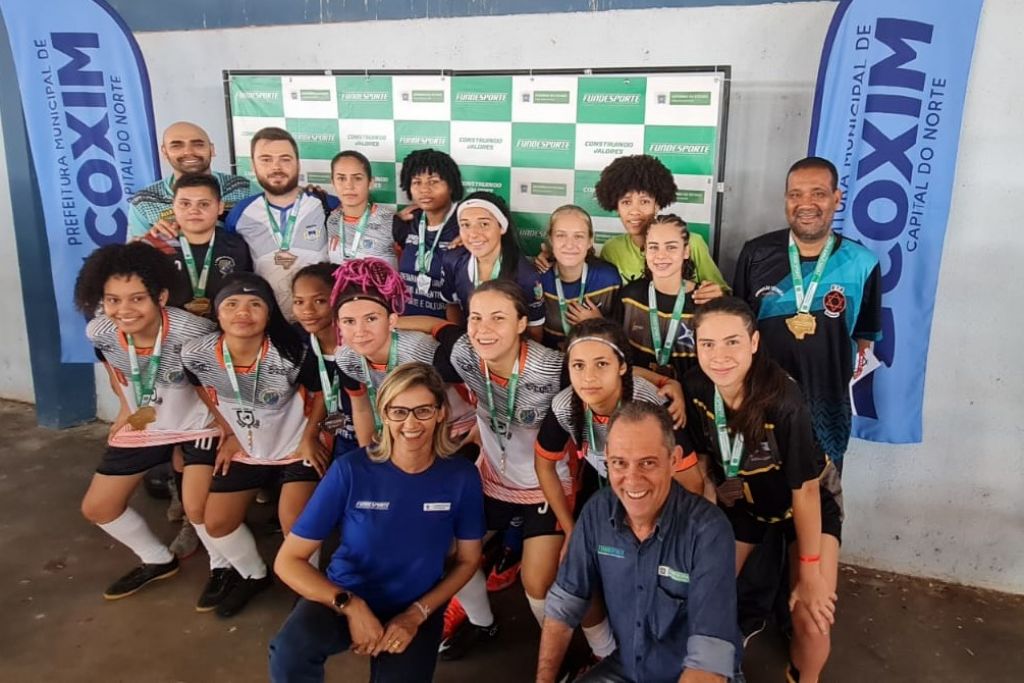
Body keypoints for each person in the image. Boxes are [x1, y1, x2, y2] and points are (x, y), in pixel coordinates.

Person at [268, 362, 485, 683]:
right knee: (289, 652)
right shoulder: (350, 470)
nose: (411, 423)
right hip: (344, 596)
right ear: (384, 414)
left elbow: (468, 561)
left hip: (417, 606)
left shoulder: (462, 477)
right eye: (399, 412)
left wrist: (416, 615)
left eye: (423, 411)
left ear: (441, 413)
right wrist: (350, 606)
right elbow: (288, 561)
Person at [686, 296, 843, 683]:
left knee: (812, 618)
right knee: (704, 598)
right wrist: (709, 490)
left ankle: (803, 675)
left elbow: (805, 491)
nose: (719, 355)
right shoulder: (693, 387)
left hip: (806, 505)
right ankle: (715, 667)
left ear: (754, 343)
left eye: (732, 342)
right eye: (708, 344)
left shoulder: (784, 400)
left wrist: (809, 572)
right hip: (744, 504)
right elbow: (703, 455)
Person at [533, 318, 703, 666]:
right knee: (576, 569)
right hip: (610, 499)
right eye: (578, 365)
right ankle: (605, 652)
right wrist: (571, 529)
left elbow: (692, 482)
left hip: (661, 502)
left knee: (648, 575)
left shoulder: (649, 406)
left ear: (622, 366)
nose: (589, 377)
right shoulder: (567, 405)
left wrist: (662, 533)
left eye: (601, 364)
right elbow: (544, 465)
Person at [538, 401, 741, 683]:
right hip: (629, 668)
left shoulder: (708, 531)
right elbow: (563, 607)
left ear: (673, 461)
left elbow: (708, 664)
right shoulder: (597, 511)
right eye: (620, 463)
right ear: (606, 458)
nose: (632, 480)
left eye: (647, 463)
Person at [73, 242, 224, 603]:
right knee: (97, 507)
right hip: (148, 421)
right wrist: (126, 411)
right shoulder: (101, 331)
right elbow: (114, 371)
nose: (123, 310)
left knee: (198, 508)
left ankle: (224, 568)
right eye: (112, 300)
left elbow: (222, 386)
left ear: (161, 296)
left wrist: (228, 430)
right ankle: (157, 559)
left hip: (200, 424)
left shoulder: (194, 332)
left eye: (136, 299)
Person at [181, 273, 330, 617]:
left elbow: (321, 393)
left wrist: (310, 438)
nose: (242, 313)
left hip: (294, 445)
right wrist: (228, 431)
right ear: (217, 314)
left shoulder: (293, 351)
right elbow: (200, 386)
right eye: (231, 305)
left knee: (295, 521)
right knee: (216, 521)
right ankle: (253, 574)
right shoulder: (198, 354)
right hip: (248, 447)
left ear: (269, 313)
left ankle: (307, 589)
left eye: (255, 304)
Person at [732, 156, 882, 469]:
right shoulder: (755, 254)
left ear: (836, 199)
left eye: (818, 193)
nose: (806, 203)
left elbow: (864, 337)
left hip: (826, 409)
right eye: (795, 194)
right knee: (762, 499)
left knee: (822, 505)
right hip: (761, 402)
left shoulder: (863, 263)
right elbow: (737, 330)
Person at [330, 258, 475, 446]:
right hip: (406, 431)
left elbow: (478, 383)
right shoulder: (346, 358)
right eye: (349, 321)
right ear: (338, 324)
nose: (360, 331)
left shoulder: (420, 352)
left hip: (456, 428)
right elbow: (362, 409)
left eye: (371, 319)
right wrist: (365, 457)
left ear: (391, 321)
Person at [225, 127, 336, 318]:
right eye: (266, 159)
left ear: (298, 164)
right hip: (270, 322)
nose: (276, 167)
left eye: (285, 159)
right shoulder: (240, 213)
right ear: (253, 165)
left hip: (324, 320)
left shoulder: (328, 205)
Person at [591, 154, 726, 294]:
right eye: (626, 202)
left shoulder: (692, 243)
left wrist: (718, 293)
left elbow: (723, 292)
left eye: (644, 202)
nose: (634, 211)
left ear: (657, 205)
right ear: (616, 207)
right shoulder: (612, 249)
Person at [612, 214, 724, 382]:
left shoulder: (705, 302)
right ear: (645, 250)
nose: (661, 255)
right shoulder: (629, 296)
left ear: (686, 251)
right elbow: (616, 354)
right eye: (653, 247)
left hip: (689, 401)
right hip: (638, 395)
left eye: (671, 247)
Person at [441, 191, 546, 341]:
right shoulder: (453, 259)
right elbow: (452, 305)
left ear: (502, 227)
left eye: (484, 224)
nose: (473, 234)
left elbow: (534, 332)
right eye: (465, 225)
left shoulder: (525, 275)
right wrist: (459, 344)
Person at [145, 173, 253, 316]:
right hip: (170, 332)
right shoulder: (153, 247)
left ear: (220, 207)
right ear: (173, 206)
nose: (194, 210)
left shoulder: (238, 246)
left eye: (204, 204)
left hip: (222, 330)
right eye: (185, 204)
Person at [127, 121, 252, 239]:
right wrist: (150, 240)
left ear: (212, 149)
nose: (188, 152)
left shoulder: (243, 188)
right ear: (165, 153)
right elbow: (133, 257)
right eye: (177, 146)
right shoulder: (145, 201)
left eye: (198, 144)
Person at [291, 263, 360, 457]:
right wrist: (309, 437)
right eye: (298, 302)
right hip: (338, 437)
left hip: (375, 437)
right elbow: (322, 391)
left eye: (320, 301)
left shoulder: (362, 344)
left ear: (340, 299)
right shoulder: (301, 342)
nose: (307, 311)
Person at [535, 205, 621, 349]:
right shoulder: (538, 278)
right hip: (551, 364)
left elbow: (622, 340)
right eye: (561, 235)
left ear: (590, 241)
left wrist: (598, 323)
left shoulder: (609, 279)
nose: (570, 245)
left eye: (579, 236)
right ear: (551, 239)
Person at [391, 148, 464, 319]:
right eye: (416, 182)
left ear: (451, 185)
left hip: (447, 330)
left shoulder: (465, 223)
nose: (424, 190)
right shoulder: (407, 222)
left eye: (433, 181)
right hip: (407, 326)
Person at [326, 150, 398, 268]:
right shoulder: (332, 220)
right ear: (333, 182)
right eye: (341, 178)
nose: (349, 185)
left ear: (370, 183)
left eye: (357, 178)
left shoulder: (390, 221)